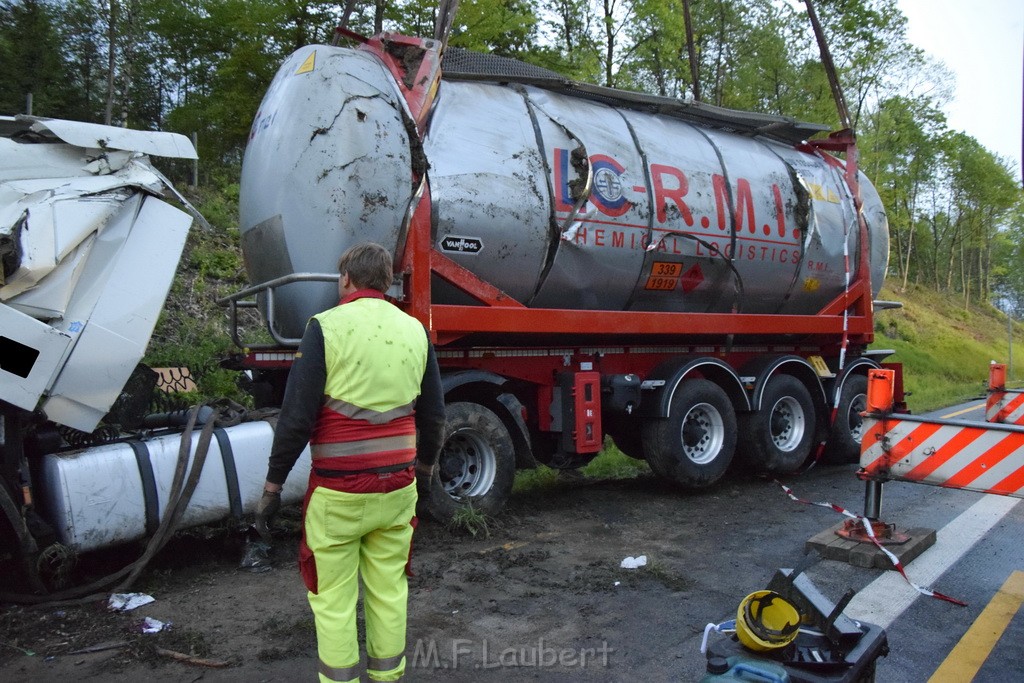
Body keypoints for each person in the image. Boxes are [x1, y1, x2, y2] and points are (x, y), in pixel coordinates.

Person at [255, 242, 446, 683]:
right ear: (387, 283)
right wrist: (426, 473)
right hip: (397, 489)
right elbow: (434, 416)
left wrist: (272, 487)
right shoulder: (416, 331)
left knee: (334, 599)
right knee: (389, 590)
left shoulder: (325, 327)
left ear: (346, 279)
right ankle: (387, 676)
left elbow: (296, 420)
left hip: (338, 495)